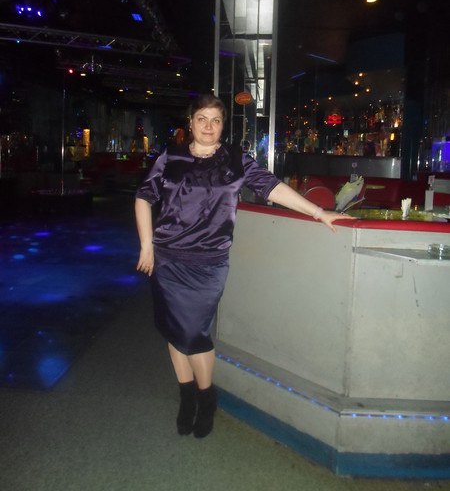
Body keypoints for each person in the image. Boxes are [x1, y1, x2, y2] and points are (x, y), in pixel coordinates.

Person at [135, 94, 353, 439]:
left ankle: (206, 398)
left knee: (194, 333)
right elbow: (144, 197)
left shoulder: (235, 159)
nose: (208, 126)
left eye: (216, 120)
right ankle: (186, 397)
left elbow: (272, 187)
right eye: (202, 119)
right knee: (173, 331)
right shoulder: (170, 157)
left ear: (223, 125)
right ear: (190, 122)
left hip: (208, 262)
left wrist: (318, 211)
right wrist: (147, 245)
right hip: (167, 259)